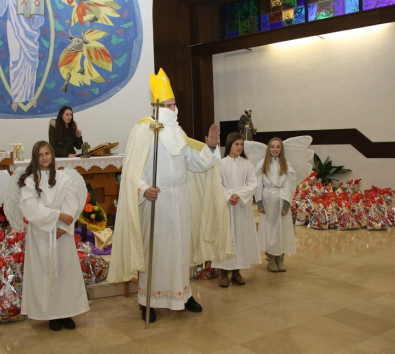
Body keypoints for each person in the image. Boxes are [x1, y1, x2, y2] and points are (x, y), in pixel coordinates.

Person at [108, 68, 232, 323]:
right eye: (169, 105)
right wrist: (144, 189)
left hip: (180, 200)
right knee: (156, 251)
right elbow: (131, 170)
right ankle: (148, 302)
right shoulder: (142, 132)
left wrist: (209, 145)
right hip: (157, 202)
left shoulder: (178, 132)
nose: (174, 109)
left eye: (175, 104)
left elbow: (194, 163)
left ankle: (182, 295)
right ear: (156, 107)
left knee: (180, 250)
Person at [18, 141, 89, 331]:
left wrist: (63, 227)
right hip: (41, 233)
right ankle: (51, 315)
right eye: (40, 154)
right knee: (46, 273)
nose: (44, 157)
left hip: (62, 233)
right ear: (35, 157)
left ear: (52, 155)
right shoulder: (30, 180)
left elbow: (70, 203)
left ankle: (66, 312)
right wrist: (56, 218)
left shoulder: (63, 177)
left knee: (65, 272)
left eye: (47, 153)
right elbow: (31, 208)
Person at [211, 132, 261, 288]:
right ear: (229, 145)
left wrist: (238, 195)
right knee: (226, 236)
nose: (239, 147)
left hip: (240, 206)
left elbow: (253, 183)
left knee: (239, 237)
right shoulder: (221, 163)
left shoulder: (247, 164)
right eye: (236, 144)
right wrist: (228, 196)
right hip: (226, 205)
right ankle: (223, 272)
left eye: (241, 144)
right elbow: (217, 183)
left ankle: (237, 271)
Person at [0, 0, 45, 112]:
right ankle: (16, 96)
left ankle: (30, 95)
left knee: (31, 62)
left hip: (31, 30)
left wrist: (32, 16)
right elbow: (0, 9)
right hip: (14, 29)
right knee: (16, 60)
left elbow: (39, 14)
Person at [255, 138, 297, 272]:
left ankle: (280, 257)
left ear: (281, 149)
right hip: (267, 199)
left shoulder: (286, 164)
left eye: (278, 147)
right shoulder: (262, 164)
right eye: (272, 147)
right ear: (268, 148)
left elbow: (290, 184)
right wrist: (259, 202)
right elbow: (257, 182)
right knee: (270, 229)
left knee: (281, 229)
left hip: (281, 197)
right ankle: (271, 257)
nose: (275, 149)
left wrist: (286, 204)